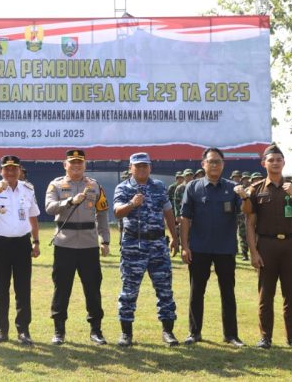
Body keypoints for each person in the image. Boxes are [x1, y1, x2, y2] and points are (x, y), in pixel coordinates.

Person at [242, 143, 292, 350]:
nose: (275, 163)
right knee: (266, 294)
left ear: (284, 163)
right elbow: (249, 223)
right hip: (267, 245)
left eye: (279, 160)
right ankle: (265, 338)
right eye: (271, 160)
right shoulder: (256, 189)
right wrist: (253, 252)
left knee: (291, 294)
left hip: (291, 245)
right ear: (264, 163)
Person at [113, 152, 179, 347]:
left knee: (164, 289)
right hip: (134, 245)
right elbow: (117, 212)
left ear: (150, 167)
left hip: (158, 245)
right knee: (129, 291)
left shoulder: (159, 186)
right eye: (138, 166)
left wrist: (175, 237)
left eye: (145, 166)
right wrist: (132, 204)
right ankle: (126, 334)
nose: (142, 169)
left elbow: (168, 212)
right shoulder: (123, 187)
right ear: (130, 168)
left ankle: (168, 332)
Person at [46, 149, 111, 345]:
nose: (76, 166)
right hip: (64, 243)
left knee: (93, 288)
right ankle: (59, 331)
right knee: (62, 288)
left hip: (89, 244)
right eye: (72, 162)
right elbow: (49, 208)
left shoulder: (94, 186)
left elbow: (102, 214)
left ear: (85, 165)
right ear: (65, 165)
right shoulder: (55, 185)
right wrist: (69, 201)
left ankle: (96, 330)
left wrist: (105, 240)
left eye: (79, 163)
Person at [180, 148, 243, 347]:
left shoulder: (233, 188)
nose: (214, 165)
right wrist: (184, 246)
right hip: (199, 248)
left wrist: (246, 196)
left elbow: (246, 212)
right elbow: (185, 218)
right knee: (196, 291)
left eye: (218, 161)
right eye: (211, 161)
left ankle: (231, 335)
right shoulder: (193, 187)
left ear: (223, 165)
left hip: (225, 248)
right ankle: (194, 332)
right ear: (203, 164)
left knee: (228, 292)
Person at [0, 155, 40, 345]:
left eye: (14, 168)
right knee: (0, 288)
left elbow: (33, 217)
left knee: (23, 288)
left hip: (22, 243)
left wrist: (36, 241)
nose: (10, 172)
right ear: (1, 171)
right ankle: (1, 331)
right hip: (1, 244)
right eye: (6, 169)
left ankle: (23, 331)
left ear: (20, 170)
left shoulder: (28, 189)